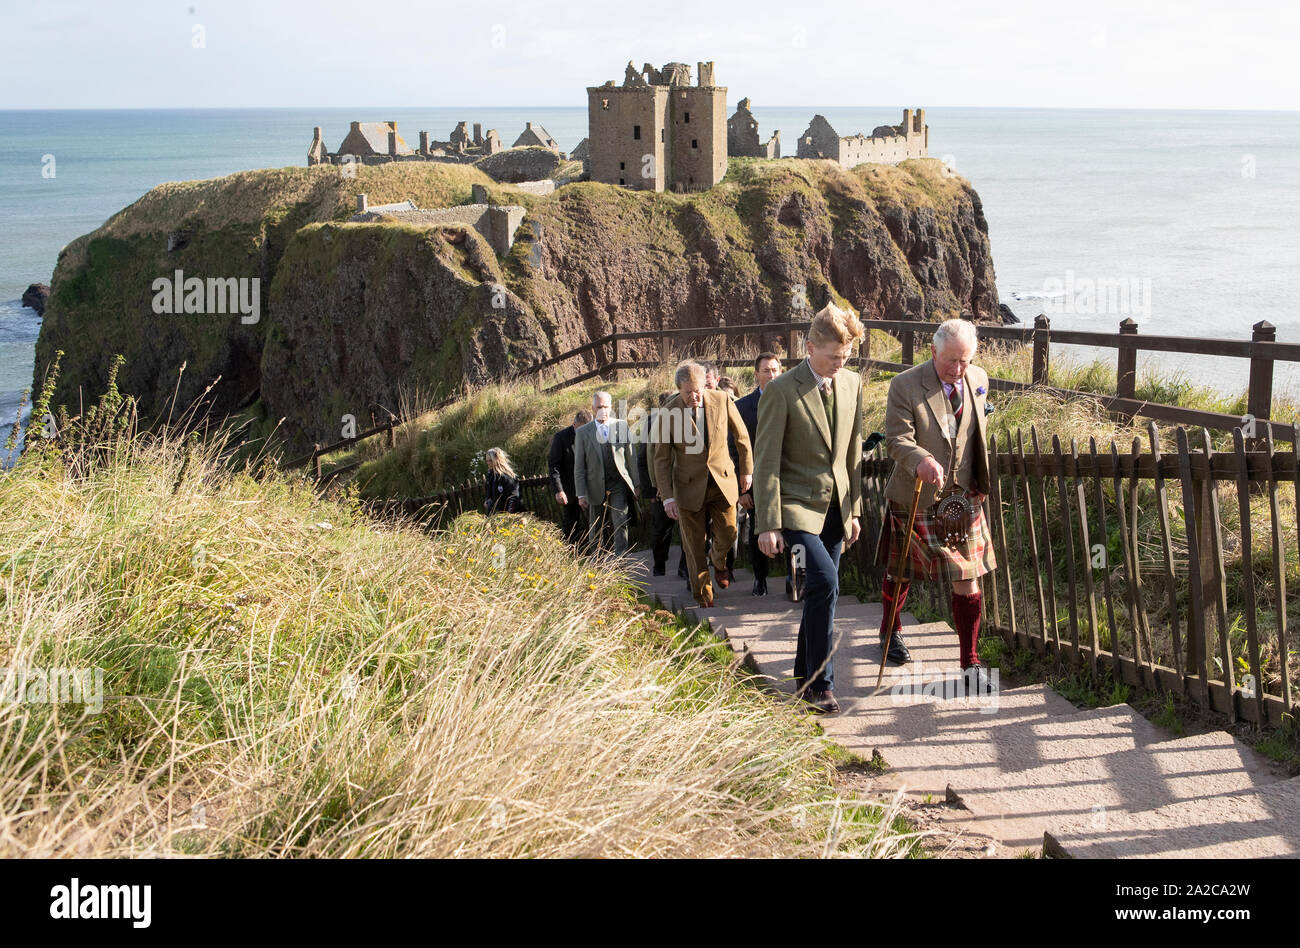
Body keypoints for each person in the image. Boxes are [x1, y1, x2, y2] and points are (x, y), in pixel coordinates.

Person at [754, 304, 866, 714]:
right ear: (810, 346)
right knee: (824, 582)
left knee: (821, 593)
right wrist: (768, 524)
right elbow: (765, 461)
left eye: (846, 356)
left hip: (835, 509)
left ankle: (803, 677)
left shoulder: (853, 383)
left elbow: (853, 452)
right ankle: (822, 685)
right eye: (833, 356)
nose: (840, 363)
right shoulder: (781, 390)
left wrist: (853, 510)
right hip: (796, 509)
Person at [875, 317, 997, 690]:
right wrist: (921, 460)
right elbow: (896, 438)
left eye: (965, 360)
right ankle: (890, 629)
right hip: (918, 494)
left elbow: (971, 430)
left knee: (968, 577)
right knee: (900, 573)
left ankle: (970, 662)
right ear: (933, 352)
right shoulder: (905, 385)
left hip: (963, 497)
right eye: (951, 362)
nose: (959, 370)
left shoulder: (978, 379)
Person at [654, 360, 753, 608]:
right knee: (693, 545)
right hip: (688, 489)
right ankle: (703, 594)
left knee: (730, 532)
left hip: (723, 482)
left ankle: (719, 561)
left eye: (698, 390)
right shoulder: (668, 413)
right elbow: (662, 459)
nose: (694, 396)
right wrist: (667, 497)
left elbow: (742, 437)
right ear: (679, 390)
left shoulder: (722, 400)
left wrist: (747, 471)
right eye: (688, 393)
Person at [734, 351, 788, 596]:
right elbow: (732, 448)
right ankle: (760, 579)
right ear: (757, 375)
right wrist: (740, 490)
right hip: (756, 481)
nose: (772, 374)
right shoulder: (742, 407)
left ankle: (793, 578)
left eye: (775, 370)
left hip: (788, 479)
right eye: (766, 370)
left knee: (794, 530)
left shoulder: (792, 401)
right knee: (759, 528)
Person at [574, 390, 639, 556]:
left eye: (606, 406)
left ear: (611, 407)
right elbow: (579, 466)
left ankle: (620, 558)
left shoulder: (622, 426)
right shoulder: (583, 433)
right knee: (596, 526)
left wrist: (636, 484)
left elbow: (631, 457)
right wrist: (580, 494)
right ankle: (597, 560)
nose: (603, 410)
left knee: (620, 520)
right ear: (593, 408)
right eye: (599, 407)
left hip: (618, 483)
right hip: (594, 484)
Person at [635, 393, 676, 575]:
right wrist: (650, 491)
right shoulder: (651, 422)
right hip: (659, 488)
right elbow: (643, 458)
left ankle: (685, 568)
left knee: (689, 530)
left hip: (683, 484)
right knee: (661, 529)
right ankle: (659, 565)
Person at [548, 409, 593, 545]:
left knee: (598, 521)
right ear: (574, 425)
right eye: (580, 429)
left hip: (592, 485)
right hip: (571, 488)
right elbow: (554, 465)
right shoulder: (561, 438)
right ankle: (572, 555)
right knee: (571, 524)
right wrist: (559, 490)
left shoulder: (595, 433)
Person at [483, 447, 522, 514]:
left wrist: (509, 515)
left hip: (506, 515)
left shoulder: (507, 476)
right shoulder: (491, 476)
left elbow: (514, 497)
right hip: (493, 515)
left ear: (497, 460)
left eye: (490, 460)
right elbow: (489, 494)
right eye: (487, 461)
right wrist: (487, 501)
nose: (488, 463)